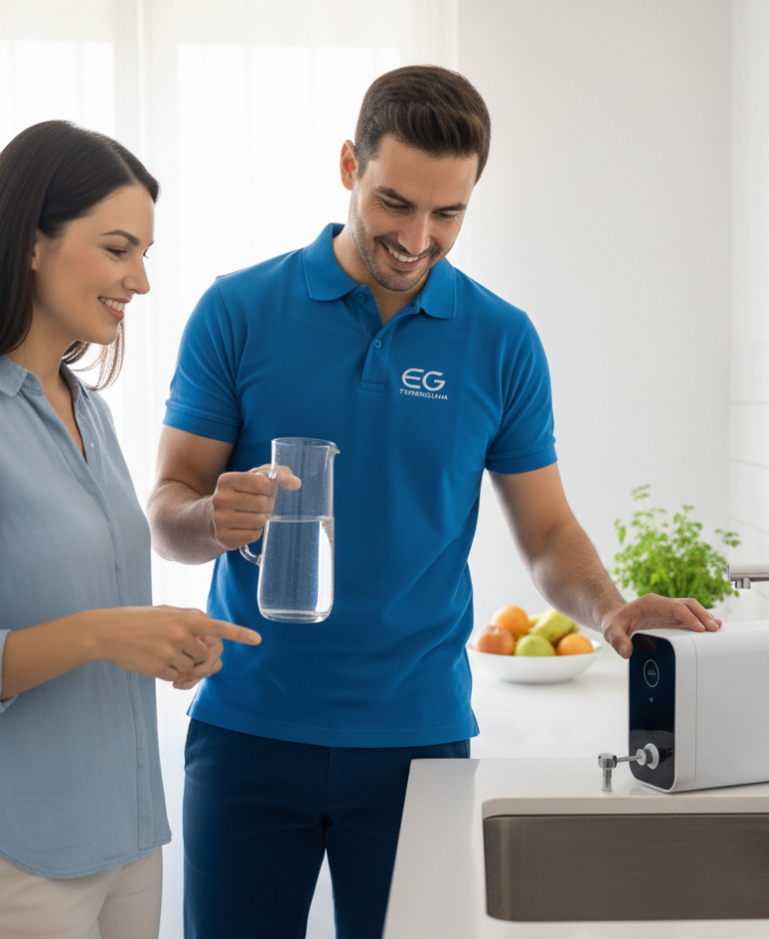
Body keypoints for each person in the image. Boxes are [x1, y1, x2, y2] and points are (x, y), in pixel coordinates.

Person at [147, 65, 721, 939]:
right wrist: (206, 519)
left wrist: (609, 609)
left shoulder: (500, 340)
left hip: (418, 742)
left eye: (447, 214)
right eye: (395, 203)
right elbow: (168, 507)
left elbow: (547, 529)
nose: (416, 238)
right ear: (349, 164)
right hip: (251, 729)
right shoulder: (238, 310)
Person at [0, 120, 262, 939]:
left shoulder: (93, 412)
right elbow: (89, 628)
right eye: (118, 249)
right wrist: (101, 636)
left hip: (129, 834)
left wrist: (165, 642)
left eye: (144, 252)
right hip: (24, 854)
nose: (140, 280)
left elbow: (102, 597)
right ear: (33, 241)